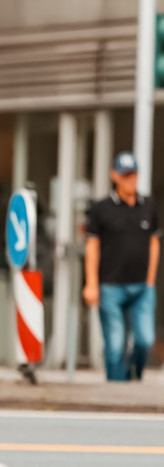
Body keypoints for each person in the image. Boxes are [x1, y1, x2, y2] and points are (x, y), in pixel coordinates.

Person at [83, 152, 160, 381]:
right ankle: (116, 390)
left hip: (142, 287)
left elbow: (154, 243)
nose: (131, 179)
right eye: (126, 175)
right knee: (115, 344)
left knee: (145, 339)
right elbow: (92, 247)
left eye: (134, 174)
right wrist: (92, 284)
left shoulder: (148, 206)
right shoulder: (101, 208)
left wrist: (150, 279)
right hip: (110, 286)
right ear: (115, 176)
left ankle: (133, 375)